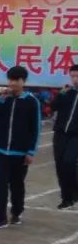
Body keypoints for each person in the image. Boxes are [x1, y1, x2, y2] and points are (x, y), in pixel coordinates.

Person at [0, 66, 40, 229]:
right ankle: (0, 217)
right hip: (0, 150)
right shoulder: (4, 99)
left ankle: (17, 212)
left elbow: (35, 128)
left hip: (20, 152)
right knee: (0, 183)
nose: (12, 83)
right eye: (10, 79)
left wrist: (30, 151)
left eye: (16, 80)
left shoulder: (31, 102)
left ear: (23, 81)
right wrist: (0, 99)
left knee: (17, 184)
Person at [48, 64, 78, 209]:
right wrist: (61, 93)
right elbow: (52, 106)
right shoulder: (67, 92)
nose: (75, 79)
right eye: (72, 76)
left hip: (75, 136)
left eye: (77, 76)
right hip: (60, 134)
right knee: (60, 165)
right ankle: (66, 198)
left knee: (69, 162)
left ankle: (74, 191)